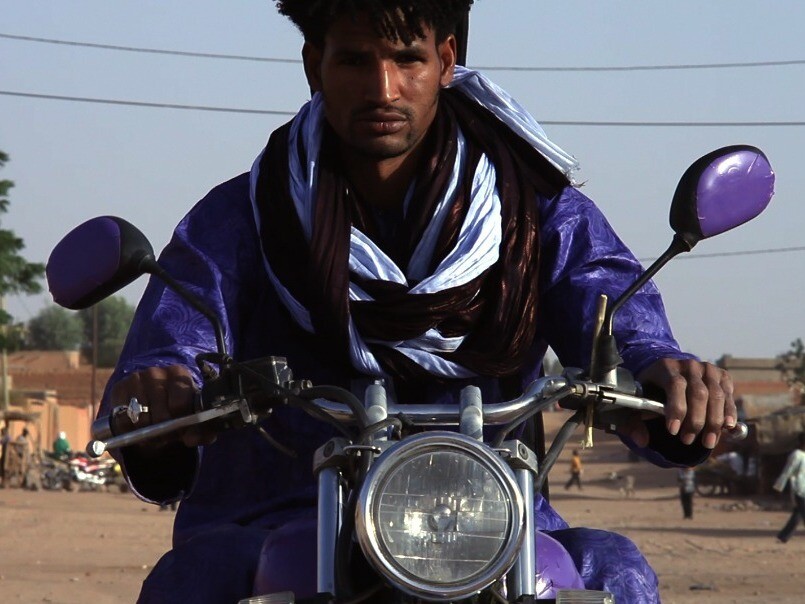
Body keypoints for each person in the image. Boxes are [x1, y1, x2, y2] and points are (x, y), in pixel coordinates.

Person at [98, 2, 738, 602]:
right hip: (280, 513)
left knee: (616, 570)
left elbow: (608, 306)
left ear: (446, 61)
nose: (384, 90)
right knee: (194, 580)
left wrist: (665, 372)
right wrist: (159, 392)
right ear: (313, 63)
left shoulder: (537, 215)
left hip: (489, 516)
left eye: (407, 58)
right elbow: (173, 350)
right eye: (354, 60)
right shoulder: (242, 219)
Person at [773, 432, 805, 543]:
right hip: (799, 490)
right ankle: (784, 536)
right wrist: (779, 487)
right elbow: (787, 472)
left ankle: (784, 536)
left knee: (798, 514)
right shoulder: (796, 455)